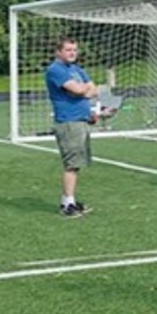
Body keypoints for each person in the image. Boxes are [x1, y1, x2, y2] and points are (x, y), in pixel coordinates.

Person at [44, 36, 99, 217]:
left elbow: (92, 89)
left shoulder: (76, 69)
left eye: (74, 50)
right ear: (58, 52)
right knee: (72, 164)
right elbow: (78, 89)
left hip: (81, 120)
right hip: (68, 121)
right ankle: (67, 204)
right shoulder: (55, 69)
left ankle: (69, 200)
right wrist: (82, 90)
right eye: (68, 50)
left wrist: (83, 92)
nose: (72, 53)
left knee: (77, 164)